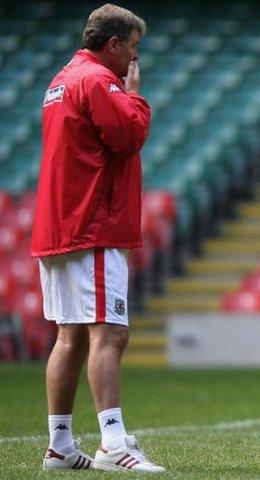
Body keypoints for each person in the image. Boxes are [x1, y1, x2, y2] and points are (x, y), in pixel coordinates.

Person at [31, 3, 163, 473]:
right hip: (93, 226)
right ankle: (112, 442)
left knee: (69, 335)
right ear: (112, 45)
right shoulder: (98, 80)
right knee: (110, 332)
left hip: (58, 226)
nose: (134, 58)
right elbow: (127, 136)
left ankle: (60, 446)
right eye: (132, 47)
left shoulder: (61, 79)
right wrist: (136, 98)